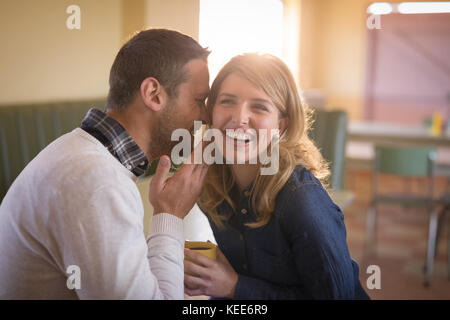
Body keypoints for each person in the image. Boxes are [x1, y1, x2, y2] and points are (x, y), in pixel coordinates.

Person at [0, 29, 210, 299]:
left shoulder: (84, 154)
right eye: (199, 100)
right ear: (153, 94)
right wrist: (168, 215)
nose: (205, 116)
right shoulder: (96, 181)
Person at [183, 53, 370, 300]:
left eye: (259, 107)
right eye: (227, 101)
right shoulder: (214, 184)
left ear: (280, 126)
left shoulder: (302, 201)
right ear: (211, 112)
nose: (239, 118)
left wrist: (234, 287)